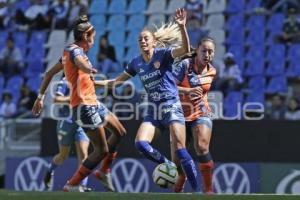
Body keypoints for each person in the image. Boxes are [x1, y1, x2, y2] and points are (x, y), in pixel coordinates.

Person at [95, 8, 199, 192]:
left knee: (181, 150)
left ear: (153, 42)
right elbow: (116, 82)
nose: (143, 41)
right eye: (140, 39)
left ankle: (198, 191)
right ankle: (167, 165)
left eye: (146, 39)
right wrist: (95, 83)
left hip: (172, 106)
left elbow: (185, 49)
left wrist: (182, 27)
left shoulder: (164, 54)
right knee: (140, 144)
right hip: (154, 110)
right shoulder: (136, 63)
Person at [32, 15, 126, 192]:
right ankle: (72, 185)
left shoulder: (72, 54)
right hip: (84, 107)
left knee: (120, 131)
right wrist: (88, 68)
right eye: (92, 39)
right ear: (85, 37)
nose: (93, 43)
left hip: (93, 103)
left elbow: (49, 74)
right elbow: (80, 63)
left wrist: (40, 97)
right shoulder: (74, 51)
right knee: (101, 150)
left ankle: (104, 172)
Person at [172, 37, 216, 193]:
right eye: (204, 50)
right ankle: (181, 180)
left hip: (200, 112)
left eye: (211, 52)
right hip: (179, 115)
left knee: (202, 147)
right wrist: (187, 91)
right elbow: (169, 87)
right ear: (197, 51)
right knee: (177, 160)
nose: (207, 54)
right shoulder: (184, 65)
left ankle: (208, 190)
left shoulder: (212, 71)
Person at [42, 76, 91, 192]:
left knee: (84, 156)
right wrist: (73, 98)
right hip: (66, 121)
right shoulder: (65, 81)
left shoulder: (85, 79)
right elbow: (56, 99)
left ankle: (82, 185)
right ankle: (50, 170)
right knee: (63, 155)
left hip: (81, 122)